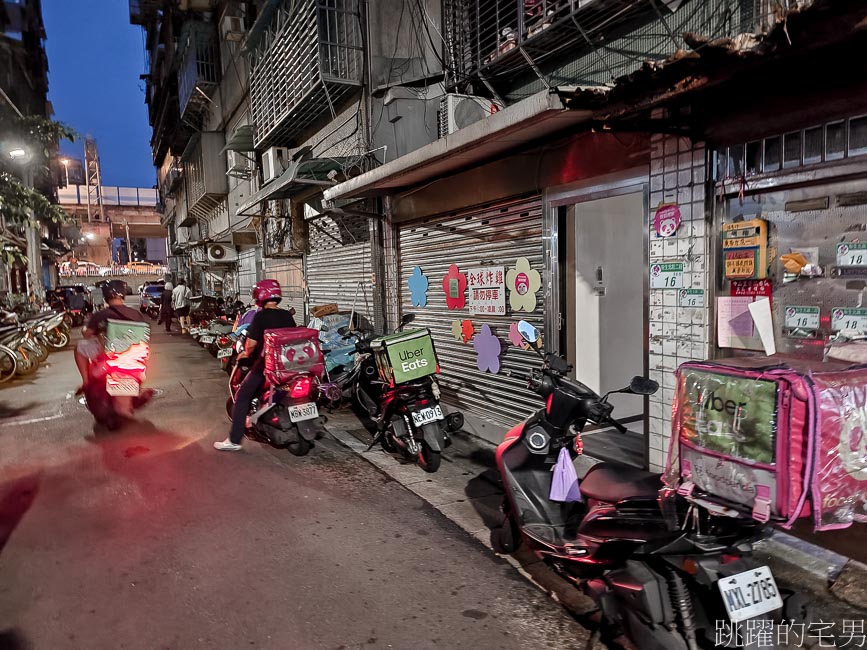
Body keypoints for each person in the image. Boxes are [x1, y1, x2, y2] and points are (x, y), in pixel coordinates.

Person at [214, 279, 296, 452]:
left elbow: (250, 345)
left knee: (243, 396)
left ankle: (234, 441)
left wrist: (244, 354)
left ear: (260, 295)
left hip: (267, 366)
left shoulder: (261, 316)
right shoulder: (287, 315)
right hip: (289, 366)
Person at [74, 284, 145, 396]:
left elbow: (87, 334)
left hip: (108, 355)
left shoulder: (101, 315)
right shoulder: (136, 314)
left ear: (106, 298)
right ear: (123, 296)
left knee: (79, 348)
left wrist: (86, 329)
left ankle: (86, 382)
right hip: (132, 356)